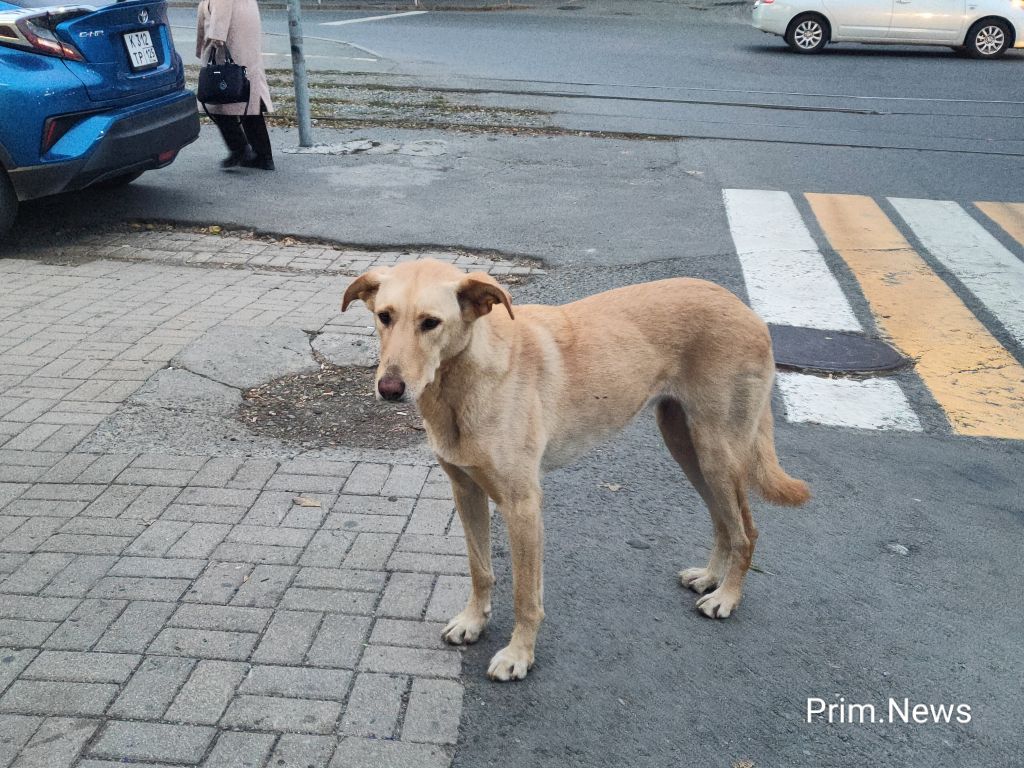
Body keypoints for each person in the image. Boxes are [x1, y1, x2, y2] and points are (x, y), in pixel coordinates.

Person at [196, 0, 275, 170]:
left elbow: (220, 14)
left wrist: (217, 36)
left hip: (228, 49)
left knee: (220, 102)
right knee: (249, 104)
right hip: (242, 48)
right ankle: (263, 156)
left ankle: (240, 149)